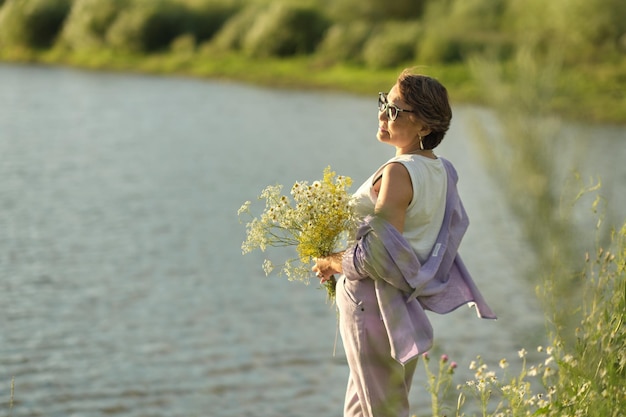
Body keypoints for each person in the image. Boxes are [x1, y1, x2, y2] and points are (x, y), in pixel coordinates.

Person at [312, 69, 496, 417]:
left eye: (395, 111)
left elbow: (378, 254)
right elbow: (448, 234)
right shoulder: (443, 170)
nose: (383, 115)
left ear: (425, 127)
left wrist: (331, 262)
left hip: (373, 303)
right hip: (400, 306)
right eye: (385, 102)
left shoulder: (399, 171)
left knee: (383, 412)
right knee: (362, 410)